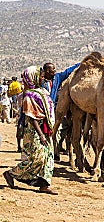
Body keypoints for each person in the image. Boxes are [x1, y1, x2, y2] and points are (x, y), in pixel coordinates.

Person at [3, 66, 57, 195]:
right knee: (37, 158)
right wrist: (41, 134)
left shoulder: (42, 91)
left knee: (48, 156)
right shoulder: (29, 96)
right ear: (33, 77)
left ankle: (44, 185)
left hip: (45, 129)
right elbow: (31, 117)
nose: (43, 77)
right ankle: (11, 173)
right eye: (40, 75)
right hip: (35, 132)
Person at [42, 62, 79, 158]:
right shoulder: (40, 81)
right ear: (47, 71)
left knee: (53, 130)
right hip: (41, 110)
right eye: (52, 69)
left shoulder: (57, 78)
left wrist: (81, 63)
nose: (55, 70)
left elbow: (67, 72)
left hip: (52, 109)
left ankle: (53, 151)